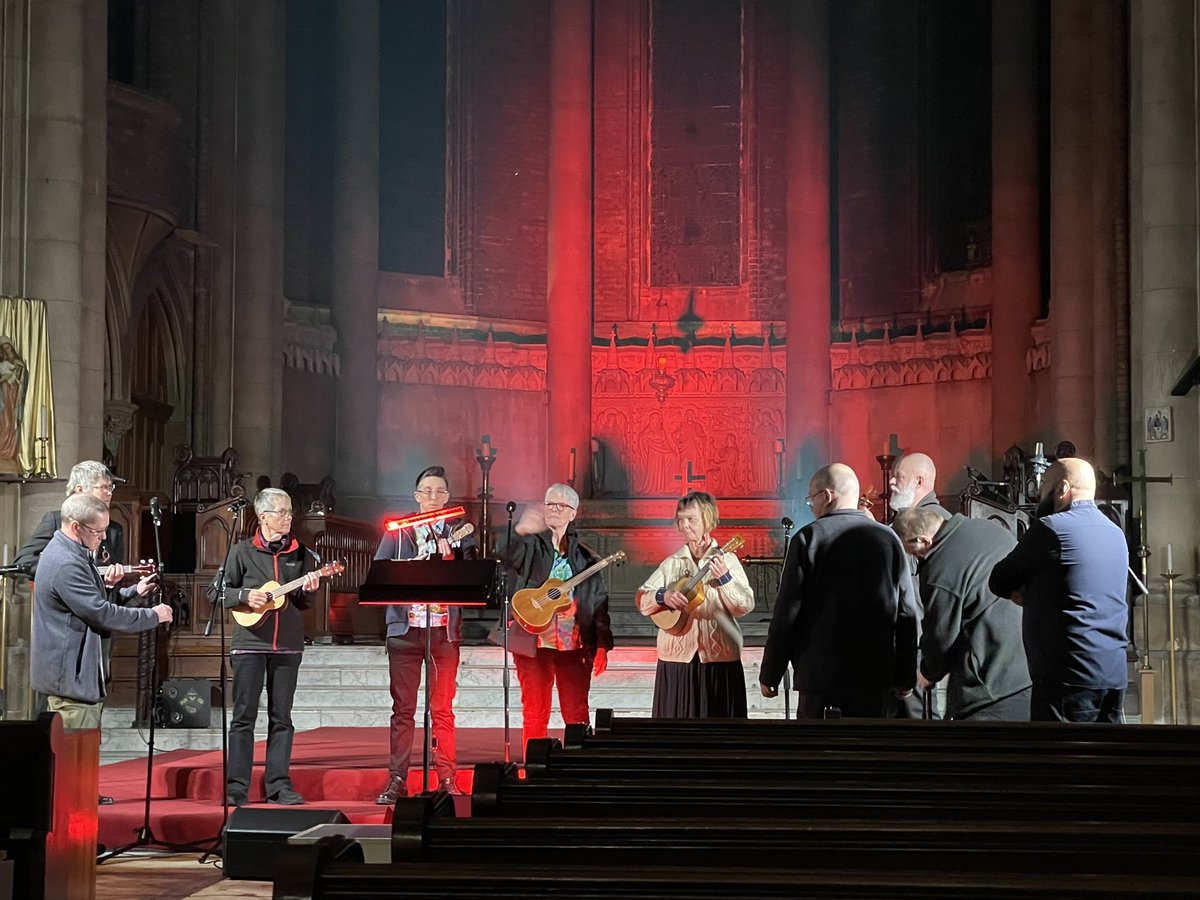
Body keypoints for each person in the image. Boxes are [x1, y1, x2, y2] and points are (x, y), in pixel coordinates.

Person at [759, 463, 919, 718]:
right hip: (875, 677)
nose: (812, 509)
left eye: (811, 501)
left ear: (826, 495)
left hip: (820, 681)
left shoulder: (808, 538)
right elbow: (907, 612)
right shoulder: (889, 539)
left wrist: (771, 672)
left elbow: (789, 610)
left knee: (819, 754)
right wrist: (905, 675)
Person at [988, 457, 1130, 723]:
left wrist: (1024, 592)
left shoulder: (1052, 529)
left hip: (1067, 676)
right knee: (1108, 759)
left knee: (1060, 760)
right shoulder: (1115, 533)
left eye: (1044, 487)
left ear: (1062, 489)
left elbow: (999, 578)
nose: (1040, 494)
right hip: (1113, 673)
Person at [375, 465, 477, 804]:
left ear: (448, 498)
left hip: (443, 631)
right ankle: (397, 779)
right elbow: (380, 572)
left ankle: (447, 776)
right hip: (406, 630)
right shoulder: (398, 531)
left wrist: (452, 554)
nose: (433, 498)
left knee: (443, 709)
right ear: (417, 496)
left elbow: (471, 576)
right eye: (427, 491)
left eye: (440, 492)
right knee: (403, 709)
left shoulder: (458, 530)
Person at [212, 488, 321, 806]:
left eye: (290, 512)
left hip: (287, 646)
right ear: (263, 517)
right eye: (282, 512)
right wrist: (245, 596)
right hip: (249, 645)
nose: (289, 517)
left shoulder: (302, 554)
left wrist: (311, 590)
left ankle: (278, 784)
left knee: (282, 717)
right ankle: (236, 785)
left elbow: (302, 602)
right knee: (243, 717)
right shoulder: (241, 552)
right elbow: (216, 592)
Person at [31, 494, 172, 729]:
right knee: (76, 762)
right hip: (70, 689)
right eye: (98, 531)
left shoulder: (75, 555)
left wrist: (135, 591)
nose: (104, 537)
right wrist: (153, 616)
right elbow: (102, 614)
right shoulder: (66, 563)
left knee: (84, 761)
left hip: (79, 685)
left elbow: (96, 602)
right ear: (76, 527)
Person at [495, 483, 613, 751]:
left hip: (574, 645)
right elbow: (503, 556)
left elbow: (598, 601)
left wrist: (603, 644)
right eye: (550, 504)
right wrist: (520, 530)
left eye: (562, 506)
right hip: (533, 643)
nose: (554, 510)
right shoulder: (529, 546)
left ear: (573, 513)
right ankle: (535, 769)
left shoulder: (585, 557)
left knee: (576, 713)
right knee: (535, 711)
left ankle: (576, 770)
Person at [893, 507, 1032, 720]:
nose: (915, 559)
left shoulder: (940, 569)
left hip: (989, 688)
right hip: (1029, 667)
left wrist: (928, 672)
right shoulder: (988, 528)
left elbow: (941, 637)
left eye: (912, 552)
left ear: (924, 541)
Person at [635, 491, 754, 717]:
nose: (685, 525)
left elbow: (744, 605)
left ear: (708, 521)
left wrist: (725, 579)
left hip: (719, 661)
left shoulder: (726, 559)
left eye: (692, 519)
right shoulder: (672, 563)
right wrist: (663, 596)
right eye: (681, 519)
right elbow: (643, 599)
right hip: (676, 660)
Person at [889, 451, 951, 517]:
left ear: (919, 482)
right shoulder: (912, 516)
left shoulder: (929, 521)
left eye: (899, 477)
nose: (891, 481)